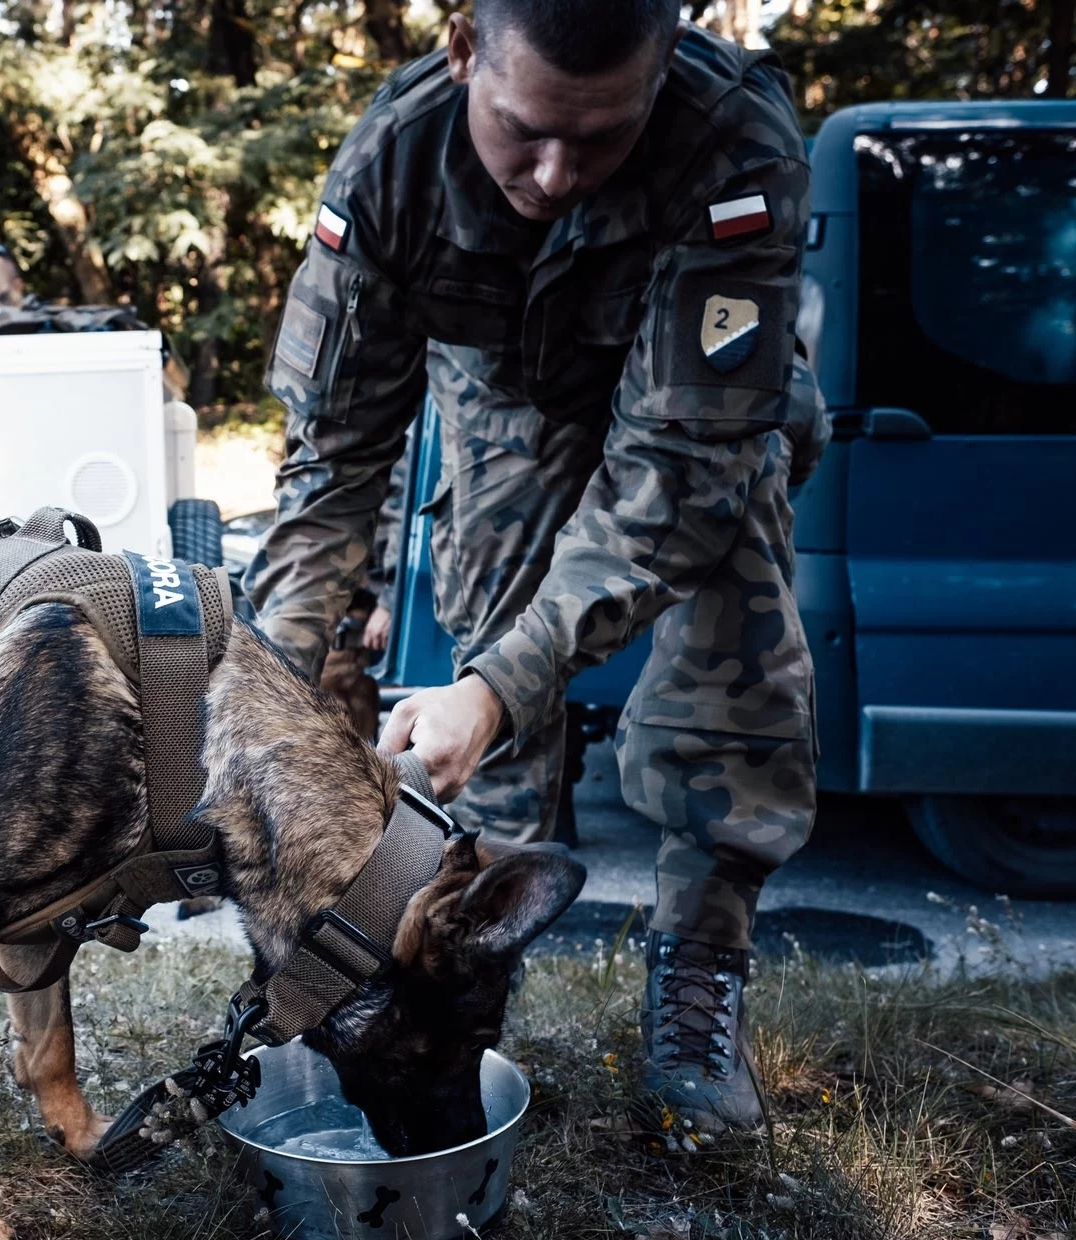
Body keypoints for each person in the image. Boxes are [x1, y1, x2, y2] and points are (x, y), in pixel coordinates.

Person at [243, 0, 829, 1149]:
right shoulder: (393, 161)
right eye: (521, 131)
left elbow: (675, 470)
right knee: (487, 660)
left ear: (662, 72)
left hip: (697, 416)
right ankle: (464, 971)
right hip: (506, 394)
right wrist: (264, 706)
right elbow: (332, 469)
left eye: (599, 137)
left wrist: (502, 680)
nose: (555, 175)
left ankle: (696, 982)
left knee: (733, 594)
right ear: (462, 49)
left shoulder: (737, 144)